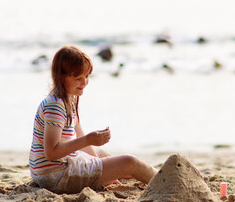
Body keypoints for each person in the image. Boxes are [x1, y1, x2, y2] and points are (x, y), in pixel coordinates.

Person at [29, 45, 157, 194]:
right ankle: (166, 180)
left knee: (100, 152)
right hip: (55, 176)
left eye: (87, 76)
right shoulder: (55, 106)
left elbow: (80, 137)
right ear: (61, 78)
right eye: (78, 78)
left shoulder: (68, 99)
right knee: (130, 162)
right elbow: (51, 152)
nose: (84, 82)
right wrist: (89, 140)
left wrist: (99, 163)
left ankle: (121, 173)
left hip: (51, 170)